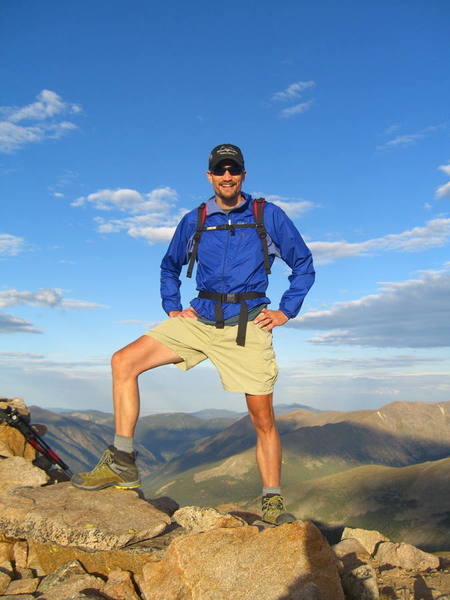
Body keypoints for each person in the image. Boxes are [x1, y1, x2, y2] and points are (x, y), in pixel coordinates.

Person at [71, 144, 315, 525]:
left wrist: (286, 310)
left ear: (243, 176)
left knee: (263, 419)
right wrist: (172, 305)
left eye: (233, 170)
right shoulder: (196, 219)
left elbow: (303, 264)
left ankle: (271, 502)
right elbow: (170, 265)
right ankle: (122, 461)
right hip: (199, 317)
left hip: (247, 323)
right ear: (210, 177)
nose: (227, 176)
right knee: (123, 361)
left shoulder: (267, 215)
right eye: (220, 170)